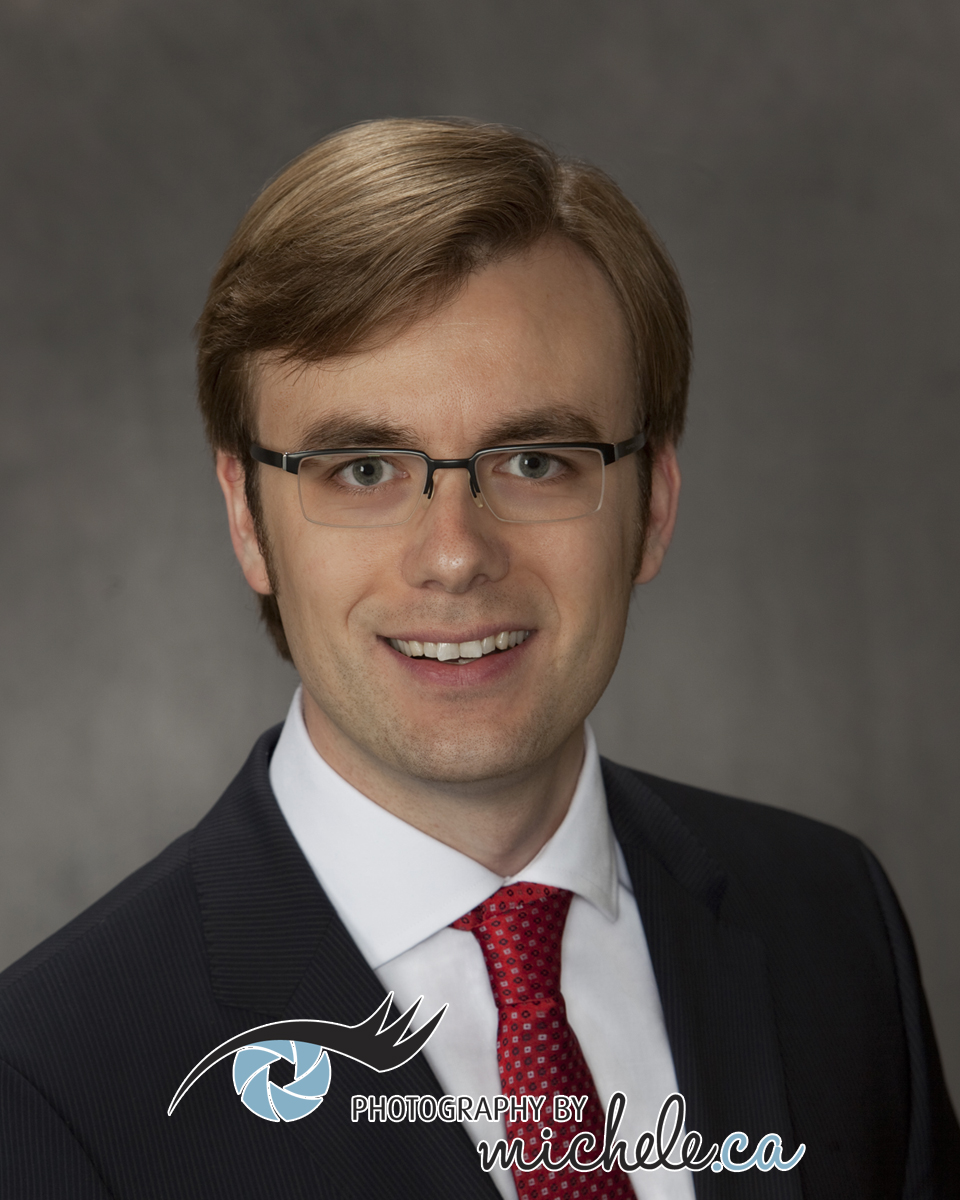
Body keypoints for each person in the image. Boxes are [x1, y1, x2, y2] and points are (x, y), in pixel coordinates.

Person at [0, 118, 956, 1200]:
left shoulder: (833, 923)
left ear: (652, 506)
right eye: (364, 470)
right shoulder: (43, 1087)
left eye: (536, 460)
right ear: (247, 517)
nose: (455, 555)